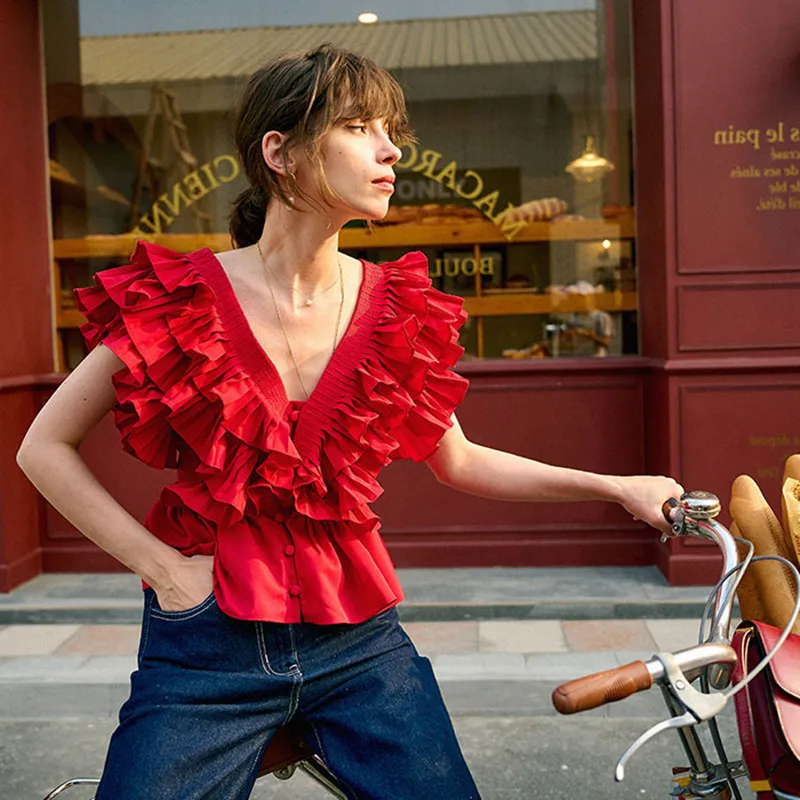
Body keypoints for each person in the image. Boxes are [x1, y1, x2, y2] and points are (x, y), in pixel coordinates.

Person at [17, 44, 682, 800]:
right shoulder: (178, 297)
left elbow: (458, 461)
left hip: (358, 645)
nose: (390, 149)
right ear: (281, 152)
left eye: (389, 129)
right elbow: (43, 448)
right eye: (360, 126)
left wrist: (615, 484)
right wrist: (165, 570)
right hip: (205, 643)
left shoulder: (396, 310)